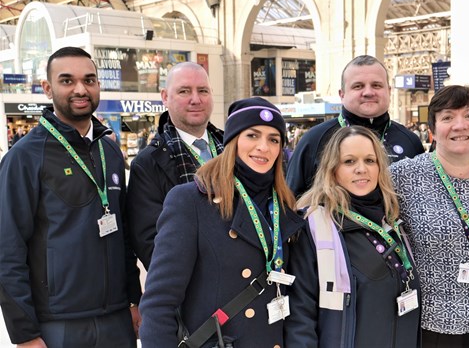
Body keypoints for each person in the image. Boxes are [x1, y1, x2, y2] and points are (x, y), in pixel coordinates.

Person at [0, 47, 141, 347]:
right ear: (47, 88)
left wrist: (133, 300)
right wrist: (25, 333)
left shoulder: (110, 151)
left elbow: (124, 235)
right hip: (59, 325)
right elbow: (7, 248)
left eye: (89, 80)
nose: (81, 89)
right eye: (67, 81)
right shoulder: (25, 157)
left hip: (117, 319)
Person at [139, 97, 306, 348]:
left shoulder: (284, 205)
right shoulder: (191, 201)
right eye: (252, 135)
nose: (263, 147)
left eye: (273, 139)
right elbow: (159, 303)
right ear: (232, 141)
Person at [390, 85, 469, 347]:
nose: (460, 125)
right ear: (432, 130)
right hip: (424, 326)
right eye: (447, 117)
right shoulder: (403, 176)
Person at [285, 126, 420, 347]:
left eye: (369, 160)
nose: (361, 169)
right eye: (349, 162)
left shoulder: (391, 217)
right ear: (332, 169)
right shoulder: (315, 225)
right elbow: (300, 314)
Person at [126, 61, 224, 269]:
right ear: (165, 97)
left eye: (203, 90)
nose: (195, 99)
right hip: (193, 290)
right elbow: (151, 245)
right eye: (184, 91)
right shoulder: (147, 165)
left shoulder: (233, 149)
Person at [286, 55, 424, 197]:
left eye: (376, 85)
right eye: (358, 86)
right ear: (342, 94)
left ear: (389, 91)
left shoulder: (410, 141)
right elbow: (290, 200)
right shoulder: (315, 140)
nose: (368, 92)